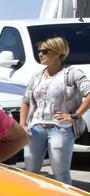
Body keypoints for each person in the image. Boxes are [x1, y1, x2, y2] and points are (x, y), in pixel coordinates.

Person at [20, 36, 90, 185]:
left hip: (61, 128)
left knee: (61, 174)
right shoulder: (36, 77)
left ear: (58, 52)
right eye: (39, 51)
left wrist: (74, 115)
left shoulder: (72, 73)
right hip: (36, 127)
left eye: (45, 51)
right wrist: (23, 125)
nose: (40, 54)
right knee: (30, 172)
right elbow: (25, 100)